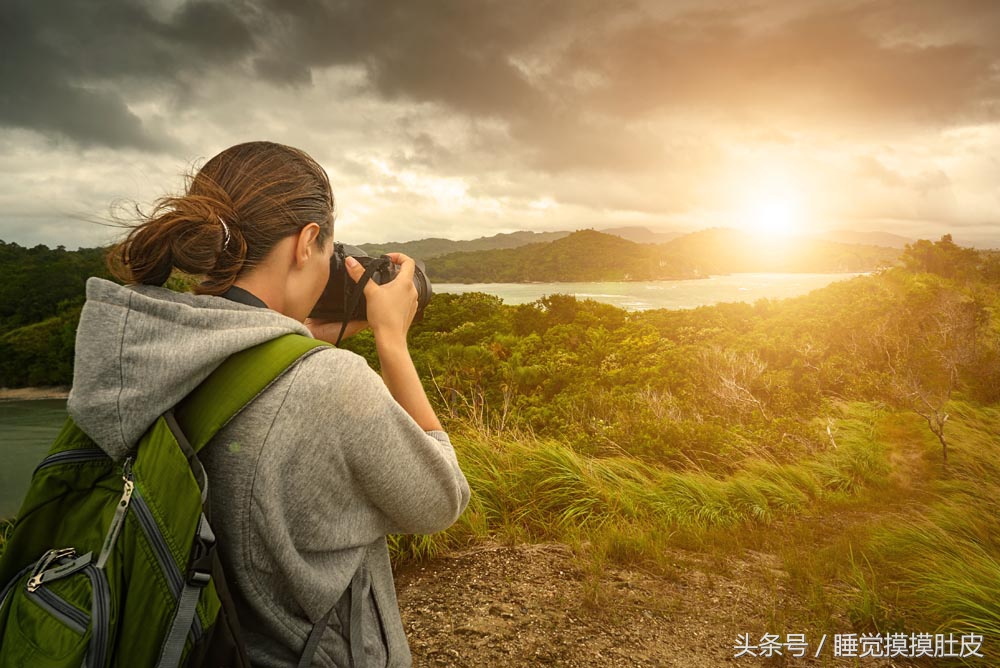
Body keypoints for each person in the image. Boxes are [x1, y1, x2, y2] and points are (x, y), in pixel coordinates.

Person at [67, 140, 470, 667]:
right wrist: (391, 340)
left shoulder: (145, 355)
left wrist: (294, 341)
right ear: (306, 243)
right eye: (328, 250)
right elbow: (440, 499)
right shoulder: (330, 384)